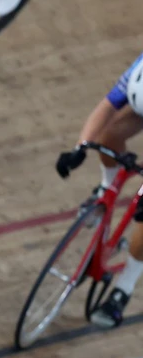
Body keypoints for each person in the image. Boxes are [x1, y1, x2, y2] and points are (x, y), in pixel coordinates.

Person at [57, 51, 143, 326]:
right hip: (140, 103)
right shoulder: (138, 72)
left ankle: (123, 290)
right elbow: (106, 107)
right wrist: (80, 148)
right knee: (108, 136)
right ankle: (105, 189)